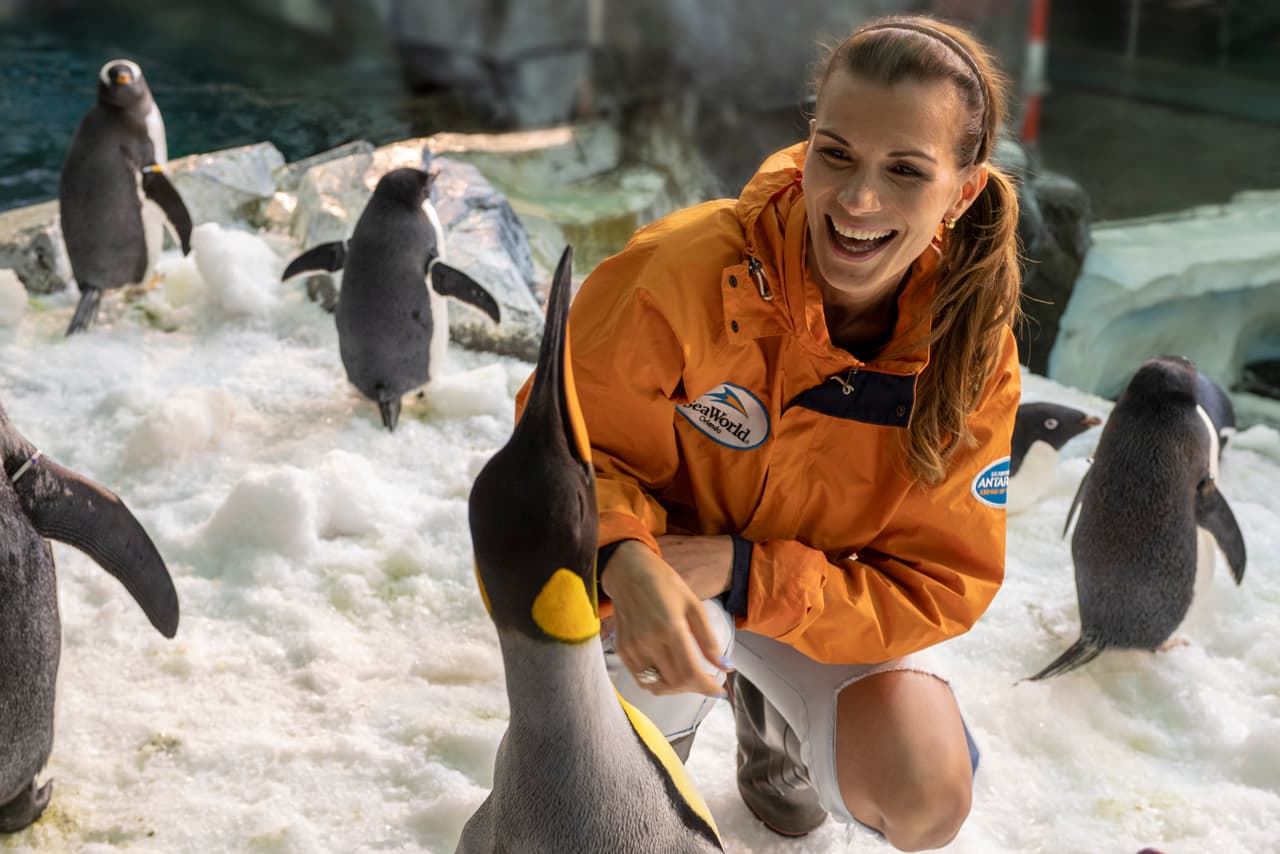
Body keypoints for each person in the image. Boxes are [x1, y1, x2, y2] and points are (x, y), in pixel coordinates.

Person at [519, 14, 1021, 852]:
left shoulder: (970, 350)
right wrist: (623, 557)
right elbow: (555, 452)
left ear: (962, 191)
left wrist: (750, 573)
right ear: (809, 141)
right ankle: (642, 781)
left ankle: (780, 739)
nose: (858, 201)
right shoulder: (677, 272)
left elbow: (941, 581)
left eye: (905, 170)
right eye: (837, 154)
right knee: (620, 777)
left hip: (813, 597)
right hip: (662, 579)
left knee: (926, 794)